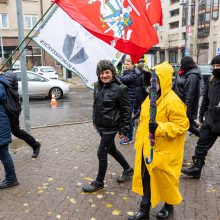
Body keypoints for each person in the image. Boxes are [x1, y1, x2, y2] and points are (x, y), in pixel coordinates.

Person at [129, 61, 189, 220]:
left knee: (166, 181)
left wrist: (159, 128)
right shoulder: (150, 98)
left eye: (156, 78)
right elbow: (143, 123)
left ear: (164, 79)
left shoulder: (173, 101)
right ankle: (144, 210)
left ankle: (169, 206)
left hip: (165, 151)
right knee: (146, 178)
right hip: (147, 148)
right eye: (150, 78)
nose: (151, 81)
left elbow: (182, 125)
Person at [82, 60, 133, 193]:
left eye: (107, 72)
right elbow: (95, 104)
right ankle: (128, 169)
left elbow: (126, 111)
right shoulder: (97, 86)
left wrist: (124, 129)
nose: (104, 75)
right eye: (101, 73)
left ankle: (99, 182)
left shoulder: (120, 88)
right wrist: (94, 119)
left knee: (102, 152)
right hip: (100, 126)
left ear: (112, 73)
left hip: (111, 127)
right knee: (111, 150)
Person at [182, 55, 220, 179]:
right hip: (211, 119)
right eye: (213, 66)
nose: (215, 68)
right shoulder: (211, 79)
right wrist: (202, 115)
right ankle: (196, 168)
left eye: (218, 66)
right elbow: (205, 99)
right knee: (201, 143)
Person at [0, 58, 41, 158]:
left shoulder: (9, 74)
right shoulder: (4, 74)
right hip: (6, 108)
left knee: (16, 131)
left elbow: (6, 84)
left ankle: (35, 145)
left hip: (11, 109)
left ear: (4, 64)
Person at [173, 56, 201, 137]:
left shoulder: (192, 76)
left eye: (182, 63)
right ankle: (196, 126)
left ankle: (203, 138)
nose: (180, 65)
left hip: (186, 106)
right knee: (188, 125)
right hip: (179, 104)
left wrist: (186, 112)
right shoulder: (182, 72)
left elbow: (189, 95)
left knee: (188, 126)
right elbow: (174, 85)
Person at [0, 72, 19, 189]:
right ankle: (11, 178)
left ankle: (11, 179)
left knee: (3, 153)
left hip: (1, 124)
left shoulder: (0, 83)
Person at [117, 58, 137, 144]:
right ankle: (126, 131)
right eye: (125, 64)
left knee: (128, 118)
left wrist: (115, 74)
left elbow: (123, 80)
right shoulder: (126, 72)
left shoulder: (133, 74)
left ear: (133, 65)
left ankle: (129, 137)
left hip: (130, 99)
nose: (126, 65)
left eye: (128, 64)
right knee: (125, 117)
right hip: (125, 99)